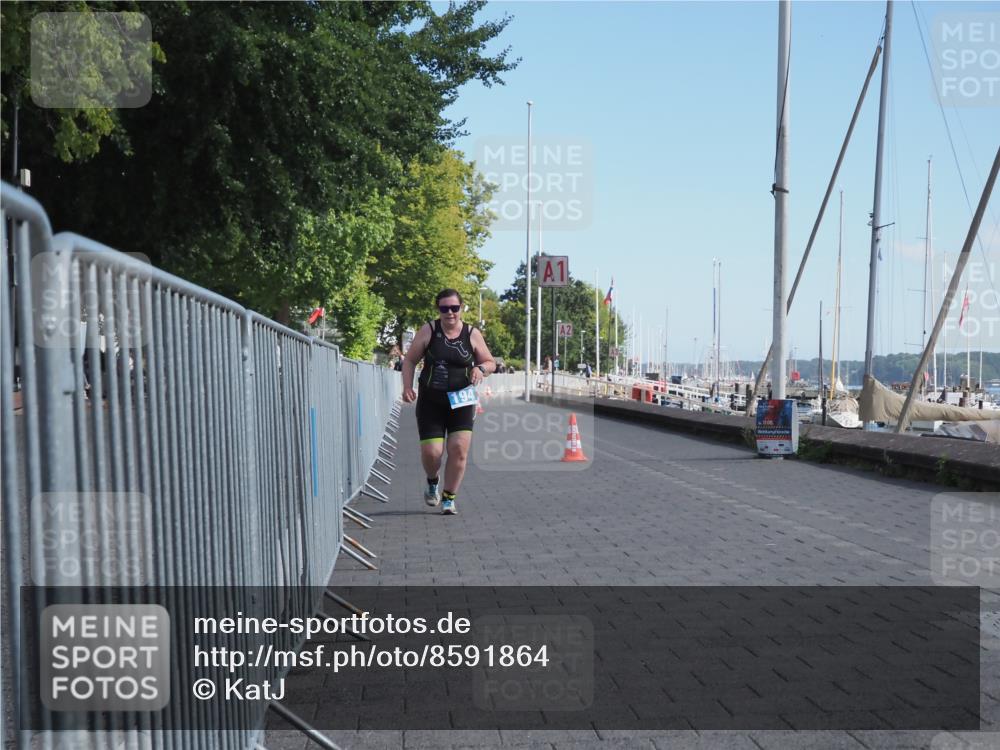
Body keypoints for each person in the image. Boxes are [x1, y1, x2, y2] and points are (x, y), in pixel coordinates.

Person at [401, 289, 496, 515]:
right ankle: (433, 481)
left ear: (461, 308)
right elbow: (410, 360)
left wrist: (480, 368)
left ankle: (448, 497)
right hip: (431, 401)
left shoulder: (472, 333)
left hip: (462, 400)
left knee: (458, 449)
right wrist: (407, 386)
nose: (450, 313)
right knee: (433, 453)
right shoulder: (429, 331)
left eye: (454, 308)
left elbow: (490, 362)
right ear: (439, 310)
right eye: (444, 308)